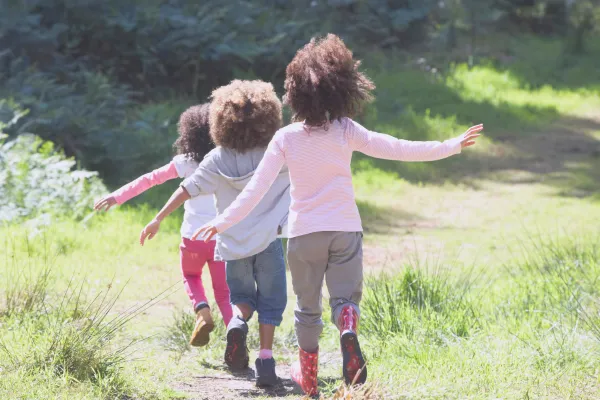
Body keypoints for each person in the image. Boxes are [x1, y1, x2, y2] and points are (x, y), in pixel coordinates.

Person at [192, 34, 482, 396]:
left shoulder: (285, 138)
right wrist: (450, 146)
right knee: (345, 299)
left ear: (294, 92)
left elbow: (255, 190)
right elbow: (397, 148)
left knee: (307, 310)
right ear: (342, 89)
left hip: (303, 235)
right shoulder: (346, 131)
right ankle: (347, 325)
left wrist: (222, 221)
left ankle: (309, 378)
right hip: (345, 229)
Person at [138, 80, 290, 387]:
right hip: (268, 242)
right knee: (271, 303)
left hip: (232, 246)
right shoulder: (274, 154)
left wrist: (157, 218)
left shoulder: (217, 158)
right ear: (268, 117)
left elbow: (186, 189)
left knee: (242, 299)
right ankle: (265, 361)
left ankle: (236, 323)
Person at [94, 104, 233, 347]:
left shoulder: (187, 162)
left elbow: (150, 179)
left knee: (190, 275)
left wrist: (118, 196)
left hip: (193, 238)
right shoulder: (226, 160)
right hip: (221, 238)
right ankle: (236, 338)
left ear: (189, 134)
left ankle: (202, 311)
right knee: (224, 293)